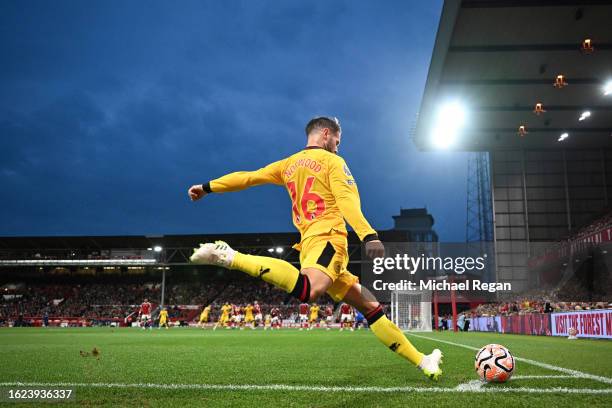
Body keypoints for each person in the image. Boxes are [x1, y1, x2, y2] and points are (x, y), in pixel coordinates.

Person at [188, 116, 442, 380]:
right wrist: (369, 236)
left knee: (371, 308)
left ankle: (423, 361)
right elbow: (346, 202)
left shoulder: (288, 164)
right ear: (325, 134)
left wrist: (208, 187)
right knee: (309, 290)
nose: (337, 146)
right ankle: (230, 257)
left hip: (311, 243)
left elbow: (248, 178)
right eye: (337, 140)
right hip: (329, 238)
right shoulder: (333, 162)